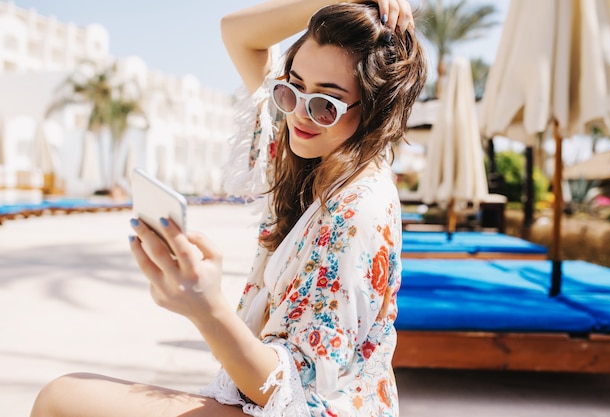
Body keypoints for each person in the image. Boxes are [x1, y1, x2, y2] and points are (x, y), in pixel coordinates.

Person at [29, 1, 426, 416]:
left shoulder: (358, 210)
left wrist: (206, 307)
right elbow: (239, 35)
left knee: (62, 399)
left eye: (327, 104)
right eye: (289, 88)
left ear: (376, 112)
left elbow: (288, 394)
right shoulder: (309, 151)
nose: (298, 114)